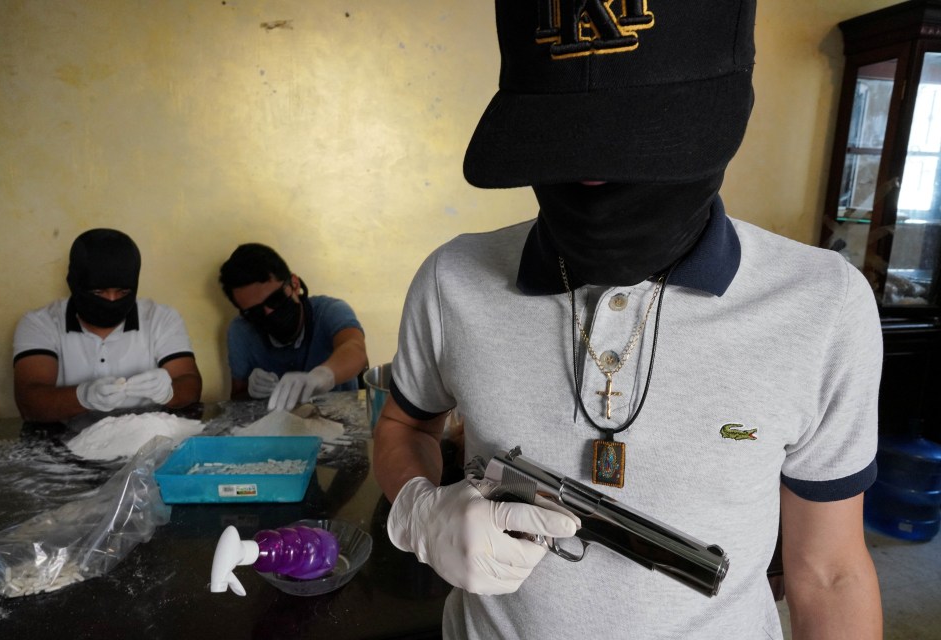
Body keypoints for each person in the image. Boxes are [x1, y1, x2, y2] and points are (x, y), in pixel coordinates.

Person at [373, 2, 883, 639]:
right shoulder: (453, 281)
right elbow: (402, 423)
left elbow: (831, 571)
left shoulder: (825, 306)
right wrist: (420, 512)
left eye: (642, 146)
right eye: (565, 152)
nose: (600, 180)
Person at [13, 228, 202, 423]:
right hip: (63, 443)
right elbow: (29, 402)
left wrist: (169, 392)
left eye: (122, 292)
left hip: (149, 440)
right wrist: (83, 397)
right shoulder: (40, 323)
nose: (112, 300)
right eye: (98, 292)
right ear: (75, 284)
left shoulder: (161, 318)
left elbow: (190, 384)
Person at [218, 243, 367, 411]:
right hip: (278, 431)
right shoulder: (241, 332)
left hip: (342, 422)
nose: (269, 312)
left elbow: (355, 349)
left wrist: (322, 376)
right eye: (255, 312)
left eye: (275, 299)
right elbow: (237, 399)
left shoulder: (329, 311)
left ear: (294, 284)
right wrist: (250, 392)